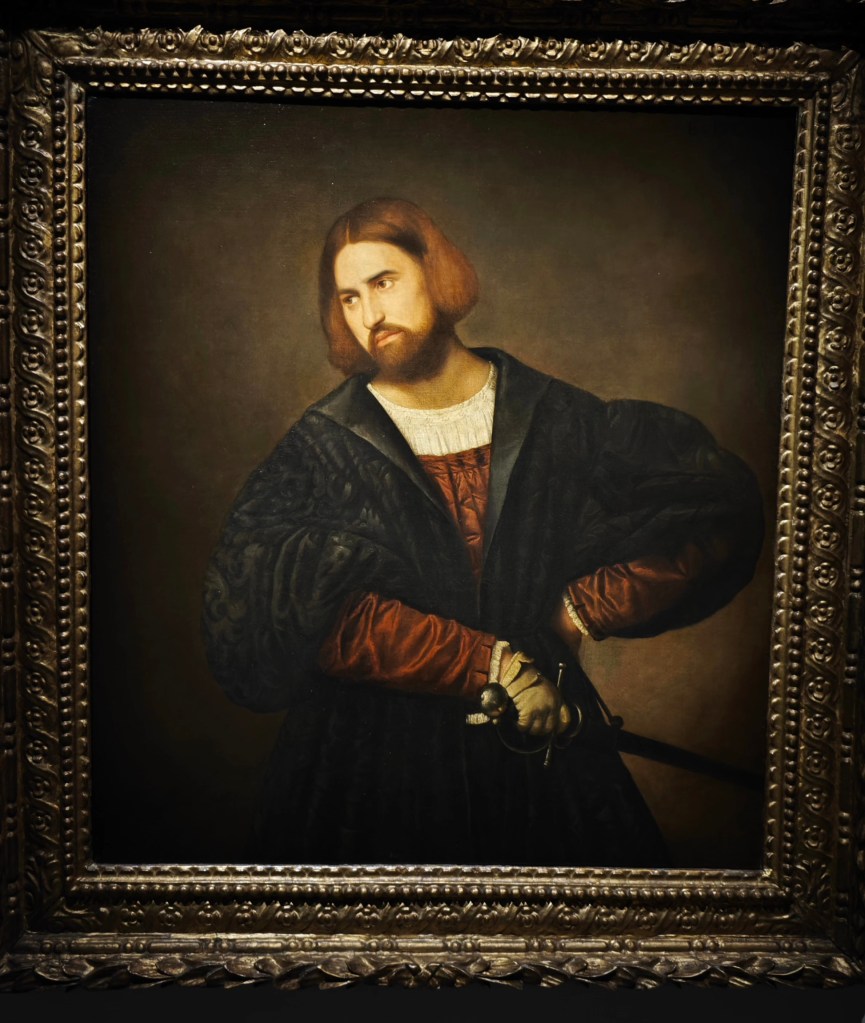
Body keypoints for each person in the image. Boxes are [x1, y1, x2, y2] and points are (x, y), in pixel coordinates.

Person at [202, 197, 764, 867]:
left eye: (384, 282)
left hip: (539, 737)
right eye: (349, 297)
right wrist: (490, 663)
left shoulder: (554, 416)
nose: (370, 314)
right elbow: (284, 610)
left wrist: (579, 608)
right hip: (369, 769)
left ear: (436, 273)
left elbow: (715, 511)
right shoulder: (322, 447)